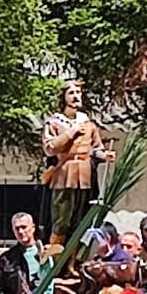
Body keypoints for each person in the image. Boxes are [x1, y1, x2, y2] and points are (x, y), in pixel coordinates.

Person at [43, 80, 116, 246]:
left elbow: (95, 148)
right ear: (63, 97)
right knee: (61, 220)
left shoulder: (88, 123)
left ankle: (72, 261)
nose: (76, 96)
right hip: (65, 173)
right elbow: (50, 147)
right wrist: (71, 132)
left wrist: (105, 155)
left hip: (85, 175)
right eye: (71, 93)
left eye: (78, 92)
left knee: (80, 220)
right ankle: (56, 260)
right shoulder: (54, 122)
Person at [0, 213, 47, 294]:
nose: (21, 231)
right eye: (17, 228)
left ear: (33, 228)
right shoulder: (6, 259)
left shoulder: (48, 253)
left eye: (24, 227)